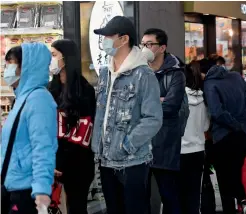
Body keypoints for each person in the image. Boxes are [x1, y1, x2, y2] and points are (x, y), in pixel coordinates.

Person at [91, 16, 163, 214]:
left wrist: (126, 145)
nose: (103, 41)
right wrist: (97, 144)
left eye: (108, 36)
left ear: (124, 39)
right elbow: (101, 111)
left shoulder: (143, 74)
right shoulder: (105, 73)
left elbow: (153, 119)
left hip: (133, 162)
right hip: (105, 160)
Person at [1, 43, 58, 213]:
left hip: (28, 190)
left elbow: (43, 147)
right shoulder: (22, 98)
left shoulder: (38, 99)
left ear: (26, 66)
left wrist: (41, 190)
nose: (7, 69)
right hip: (13, 184)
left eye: (11, 64)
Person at [203, 56, 246, 214]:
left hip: (223, 136)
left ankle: (233, 207)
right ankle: (242, 201)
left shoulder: (209, 83)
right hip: (242, 136)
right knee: (236, 170)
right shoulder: (236, 77)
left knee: (223, 177)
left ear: (203, 72)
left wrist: (235, 125)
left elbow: (216, 112)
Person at [48, 39, 95, 214]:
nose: (50, 60)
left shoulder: (84, 90)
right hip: (52, 163)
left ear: (66, 58)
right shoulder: (52, 88)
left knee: (76, 207)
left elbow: (82, 133)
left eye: (54, 55)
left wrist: (60, 163)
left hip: (77, 164)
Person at [141, 28, 185, 214]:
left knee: (168, 194)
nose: (145, 48)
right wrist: (158, 100)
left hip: (165, 142)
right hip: (140, 142)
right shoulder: (138, 71)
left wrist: (147, 103)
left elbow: (171, 107)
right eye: (143, 44)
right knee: (140, 195)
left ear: (162, 48)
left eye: (150, 44)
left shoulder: (176, 73)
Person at [180, 60, 209, 214]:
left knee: (178, 194)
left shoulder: (179, 98)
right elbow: (205, 126)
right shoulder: (203, 99)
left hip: (180, 151)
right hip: (198, 150)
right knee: (194, 193)